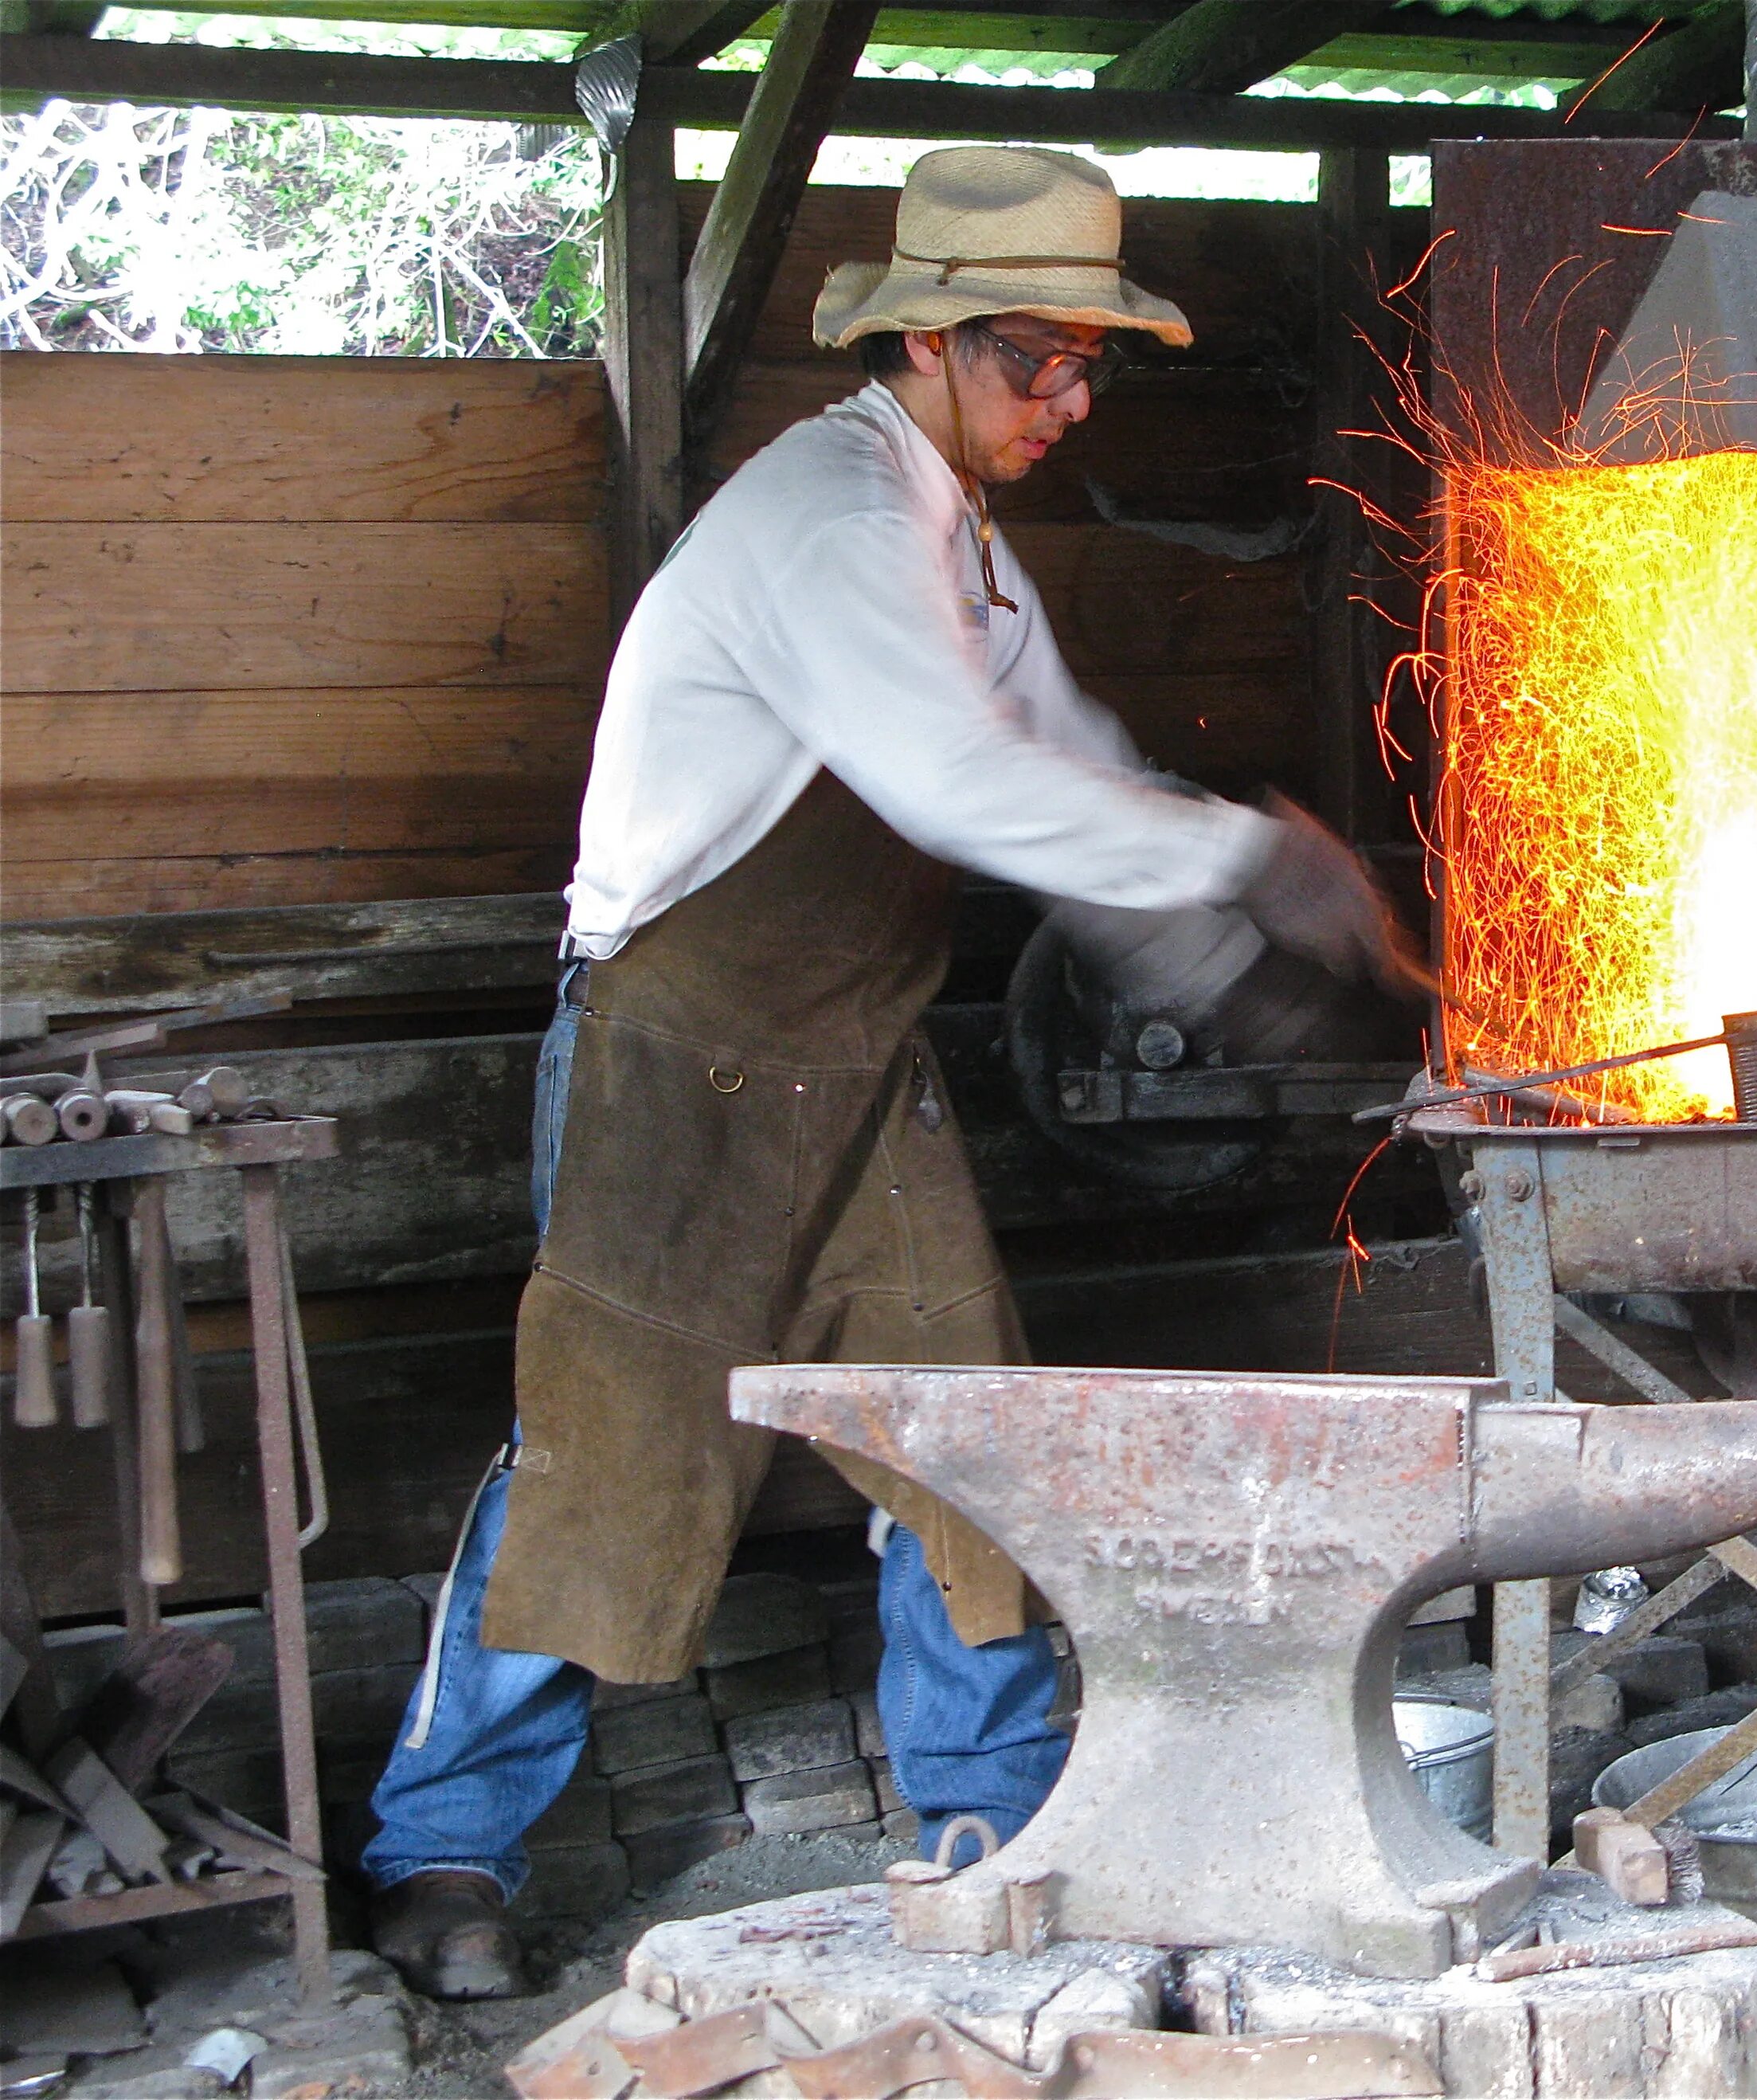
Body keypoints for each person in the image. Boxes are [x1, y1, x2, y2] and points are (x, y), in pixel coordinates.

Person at [360, 144, 1415, 2000]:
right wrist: (1251, 867)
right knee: (604, 1435)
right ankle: (445, 1841)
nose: (1069, 398)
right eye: (1037, 358)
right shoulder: (837, 519)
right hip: (681, 1050)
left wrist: (1231, 960)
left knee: (964, 1427)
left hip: (850, 1049)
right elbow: (960, 790)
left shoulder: (963, 547)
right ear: (924, 340)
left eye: (1093, 362)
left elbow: (1063, 755)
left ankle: (992, 1820)